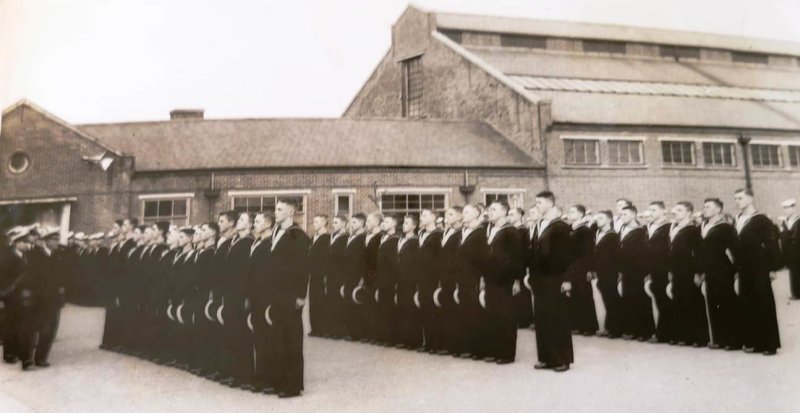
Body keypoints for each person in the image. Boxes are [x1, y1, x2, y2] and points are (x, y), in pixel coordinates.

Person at [265, 199, 311, 398]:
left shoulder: (297, 235)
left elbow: (303, 267)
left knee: (291, 339)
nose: (275, 212)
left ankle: (292, 385)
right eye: (275, 209)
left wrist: (301, 295)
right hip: (276, 292)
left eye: (279, 209)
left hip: (290, 294)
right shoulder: (276, 232)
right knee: (277, 337)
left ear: (291, 211)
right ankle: (279, 381)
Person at [733, 188, 782, 355]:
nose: (737, 201)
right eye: (735, 199)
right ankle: (753, 341)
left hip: (759, 267)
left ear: (750, 199)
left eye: (740, 198)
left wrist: (772, 268)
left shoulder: (761, 220)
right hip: (744, 267)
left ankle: (769, 344)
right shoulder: (738, 219)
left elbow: (771, 244)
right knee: (747, 303)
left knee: (763, 303)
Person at [529, 192, 572, 372]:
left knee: (557, 318)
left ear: (550, 203)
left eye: (539, 202)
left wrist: (567, 279)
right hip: (540, 279)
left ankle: (562, 359)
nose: (537, 205)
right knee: (542, 319)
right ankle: (546, 357)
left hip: (555, 279)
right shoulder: (542, 224)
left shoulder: (560, 226)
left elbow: (567, 256)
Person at [697, 198, 741, 350]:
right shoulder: (702, 226)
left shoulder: (725, 227)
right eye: (704, 207)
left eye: (708, 207)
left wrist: (737, 270)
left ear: (718, 209)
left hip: (723, 270)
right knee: (712, 304)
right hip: (708, 271)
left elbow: (735, 249)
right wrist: (700, 271)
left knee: (726, 304)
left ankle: (733, 340)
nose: (705, 209)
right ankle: (719, 339)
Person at [483, 200, 522, 364]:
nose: (490, 212)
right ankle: (495, 350)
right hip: (491, 279)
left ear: (504, 212)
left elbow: (518, 258)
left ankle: (507, 354)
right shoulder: (491, 229)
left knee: (506, 317)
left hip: (505, 280)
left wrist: (517, 281)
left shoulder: (511, 231)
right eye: (489, 209)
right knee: (492, 315)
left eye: (494, 209)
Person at [220, 212, 255, 389]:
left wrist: (247, 296)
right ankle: (234, 372)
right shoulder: (235, 241)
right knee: (232, 333)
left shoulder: (249, 242)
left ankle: (245, 375)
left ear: (249, 225)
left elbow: (248, 273)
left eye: (242, 220)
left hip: (240, 295)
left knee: (242, 335)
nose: (238, 222)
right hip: (231, 294)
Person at [668, 201, 708, 347]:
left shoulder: (693, 230)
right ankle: (684, 335)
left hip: (689, 270)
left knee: (692, 302)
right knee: (679, 301)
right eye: (675, 211)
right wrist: (671, 270)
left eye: (680, 210)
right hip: (677, 270)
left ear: (689, 212)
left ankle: (699, 337)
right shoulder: (674, 227)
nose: (676, 213)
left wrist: (698, 272)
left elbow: (698, 253)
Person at [247, 211, 276, 394]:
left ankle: (268, 379)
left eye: (257, 222)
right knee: (258, 339)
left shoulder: (270, 245)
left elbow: (268, 275)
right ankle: (261, 376)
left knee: (267, 339)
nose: (254, 225)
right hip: (255, 296)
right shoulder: (257, 242)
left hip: (264, 297)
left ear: (267, 223)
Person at [1, 227, 37, 369]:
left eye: (28, 242)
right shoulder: (6, 257)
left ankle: (19, 355)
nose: (28, 245)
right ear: (16, 243)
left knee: (22, 326)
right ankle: (9, 354)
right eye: (25, 242)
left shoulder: (25, 256)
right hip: (11, 297)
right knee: (10, 326)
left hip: (24, 298)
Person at [617, 205, 654, 341]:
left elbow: (643, 253)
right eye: (621, 214)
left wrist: (645, 271)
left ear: (633, 215)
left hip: (637, 269)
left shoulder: (640, 231)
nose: (622, 217)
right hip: (626, 270)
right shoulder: (622, 229)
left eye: (625, 214)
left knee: (640, 300)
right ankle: (632, 329)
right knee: (629, 300)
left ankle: (644, 332)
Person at [644, 202, 675, 344]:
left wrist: (670, 269)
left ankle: (666, 333)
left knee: (666, 301)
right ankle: (662, 332)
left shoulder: (668, 227)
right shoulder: (650, 227)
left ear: (663, 211)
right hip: (653, 269)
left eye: (654, 210)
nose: (650, 212)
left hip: (664, 269)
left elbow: (670, 250)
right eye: (649, 210)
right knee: (659, 301)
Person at [565, 205, 598, 336]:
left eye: (572, 212)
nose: (569, 214)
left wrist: (590, 269)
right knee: (574, 295)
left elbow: (588, 251)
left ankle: (589, 326)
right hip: (571, 267)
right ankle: (577, 324)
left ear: (580, 214)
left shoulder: (584, 230)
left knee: (585, 295)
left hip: (582, 266)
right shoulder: (570, 229)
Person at [590, 211, 622, 338]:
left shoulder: (613, 235)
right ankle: (609, 327)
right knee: (607, 300)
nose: (598, 220)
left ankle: (616, 329)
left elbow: (616, 256)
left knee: (612, 299)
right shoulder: (599, 233)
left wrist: (617, 271)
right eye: (597, 218)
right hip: (601, 272)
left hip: (610, 271)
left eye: (601, 218)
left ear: (609, 220)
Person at [417, 208, 443, 353]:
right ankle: (427, 342)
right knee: (425, 309)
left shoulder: (438, 235)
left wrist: (439, 279)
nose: (421, 217)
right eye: (421, 215)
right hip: (421, 277)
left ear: (434, 217)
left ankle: (436, 344)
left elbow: (440, 259)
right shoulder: (420, 233)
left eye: (425, 215)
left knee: (434, 310)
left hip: (432, 277)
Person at [438, 206, 463, 354]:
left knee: (455, 310)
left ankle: (457, 345)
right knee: (446, 308)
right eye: (446, 214)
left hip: (455, 276)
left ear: (460, 217)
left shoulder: (461, 234)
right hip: (445, 276)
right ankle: (447, 344)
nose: (447, 217)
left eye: (451, 214)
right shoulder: (445, 232)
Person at [395, 215, 421, 350]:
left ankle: (413, 340)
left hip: (409, 279)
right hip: (400, 279)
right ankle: (404, 339)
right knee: (402, 308)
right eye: (403, 222)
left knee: (410, 309)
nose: (404, 225)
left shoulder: (415, 242)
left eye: (407, 223)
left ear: (414, 226)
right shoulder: (401, 239)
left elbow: (416, 263)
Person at [375, 214, 400, 345]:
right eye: (383, 221)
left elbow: (394, 261)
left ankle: (391, 338)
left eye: (387, 221)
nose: (383, 223)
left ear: (394, 224)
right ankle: (383, 336)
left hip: (390, 278)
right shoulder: (383, 238)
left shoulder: (395, 239)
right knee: (383, 307)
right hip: (382, 277)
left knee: (390, 309)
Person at [342, 213, 367, 341]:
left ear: (362, 223)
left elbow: (363, 260)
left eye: (355, 222)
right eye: (351, 222)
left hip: (356, 275)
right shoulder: (352, 237)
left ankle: (358, 333)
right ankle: (352, 331)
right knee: (349, 303)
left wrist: (362, 278)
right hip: (348, 274)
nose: (352, 225)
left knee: (356, 302)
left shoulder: (363, 238)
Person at [509, 207, 533, 329]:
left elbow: (523, 251)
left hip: (521, 264)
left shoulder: (522, 231)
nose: (509, 216)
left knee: (522, 293)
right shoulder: (512, 230)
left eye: (512, 214)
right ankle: (518, 317)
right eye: (509, 214)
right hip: (513, 264)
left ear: (520, 216)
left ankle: (524, 319)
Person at [307, 214, 330, 337]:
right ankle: (315, 327)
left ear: (324, 222)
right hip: (313, 274)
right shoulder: (313, 238)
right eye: (313, 221)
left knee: (321, 300)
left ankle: (323, 328)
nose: (314, 224)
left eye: (316, 222)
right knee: (313, 300)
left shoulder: (327, 238)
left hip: (321, 274)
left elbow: (327, 258)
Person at [327, 215, 349, 339]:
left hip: (339, 274)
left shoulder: (345, 238)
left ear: (344, 224)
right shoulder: (333, 236)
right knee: (331, 301)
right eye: (333, 222)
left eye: (336, 222)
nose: (333, 224)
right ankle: (333, 329)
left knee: (338, 302)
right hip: (331, 273)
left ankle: (340, 330)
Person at [779, 199, 799, 300]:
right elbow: (782, 235)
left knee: (797, 271)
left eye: (788, 208)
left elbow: (795, 236)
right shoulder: (785, 221)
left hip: (797, 250)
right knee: (792, 271)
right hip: (789, 251)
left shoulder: (798, 220)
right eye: (784, 208)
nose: (786, 211)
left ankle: (797, 293)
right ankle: (795, 292)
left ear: (793, 208)